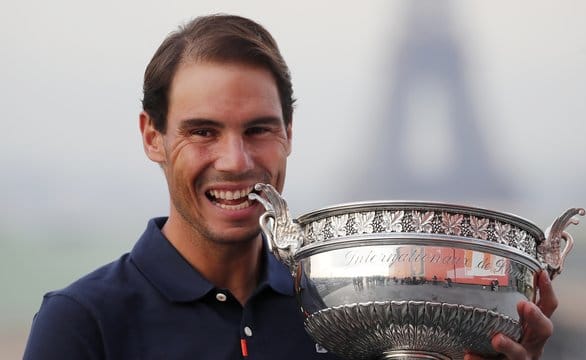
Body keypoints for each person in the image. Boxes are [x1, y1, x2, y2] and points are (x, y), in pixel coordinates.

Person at [23, 14, 557, 360]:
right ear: (152, 137)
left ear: (289, 136)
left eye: (258, 130)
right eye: (203, 131)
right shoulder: (83, 325)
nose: (234, 161)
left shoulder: (353, 312)